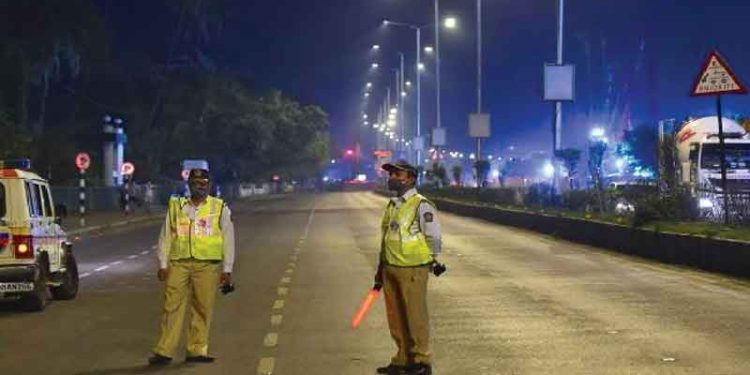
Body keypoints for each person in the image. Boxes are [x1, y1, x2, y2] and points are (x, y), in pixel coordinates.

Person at [148, 168, 235, 366]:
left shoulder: (219, 207)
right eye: (196, 184)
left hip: (207, 265)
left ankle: (197, 349)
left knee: (203, 308)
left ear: (209, 186)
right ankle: (164, 351)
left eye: (204, 184)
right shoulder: (177, 206)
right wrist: (162, 263)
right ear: (189, 185)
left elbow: (228, 239)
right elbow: (166, 235)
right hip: (179, 263)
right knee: (171, 306)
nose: (200, 187)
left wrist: (227, 269)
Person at [375, 161, 442, 375]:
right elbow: (387, 237)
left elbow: (434, 236)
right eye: (391, 173)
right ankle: (402, 358)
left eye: (396, 173)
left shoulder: (421, 205)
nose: (391, 177)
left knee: (415, 316)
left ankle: (421, 361)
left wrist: (430, 259)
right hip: (390, 267)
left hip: (413, 268)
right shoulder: (393, 205)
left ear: (410, 178)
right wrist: (380, 267)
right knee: (396, 317)